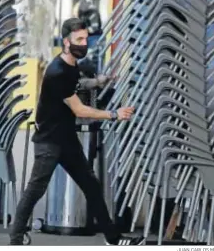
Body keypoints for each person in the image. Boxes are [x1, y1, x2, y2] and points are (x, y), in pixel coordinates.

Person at [9, 18, 145, 246]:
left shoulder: (71, 66)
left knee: (91, 185)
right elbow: (79, 108)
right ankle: (15, 239)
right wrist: (114, 114)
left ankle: (112, 238)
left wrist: (98, 81)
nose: (84, 43)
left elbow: (78, 84)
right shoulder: (57, 71)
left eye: (85, 39)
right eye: (78, 40)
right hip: (50, 141)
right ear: (66, 42)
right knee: (35, 189)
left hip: (66, 140)